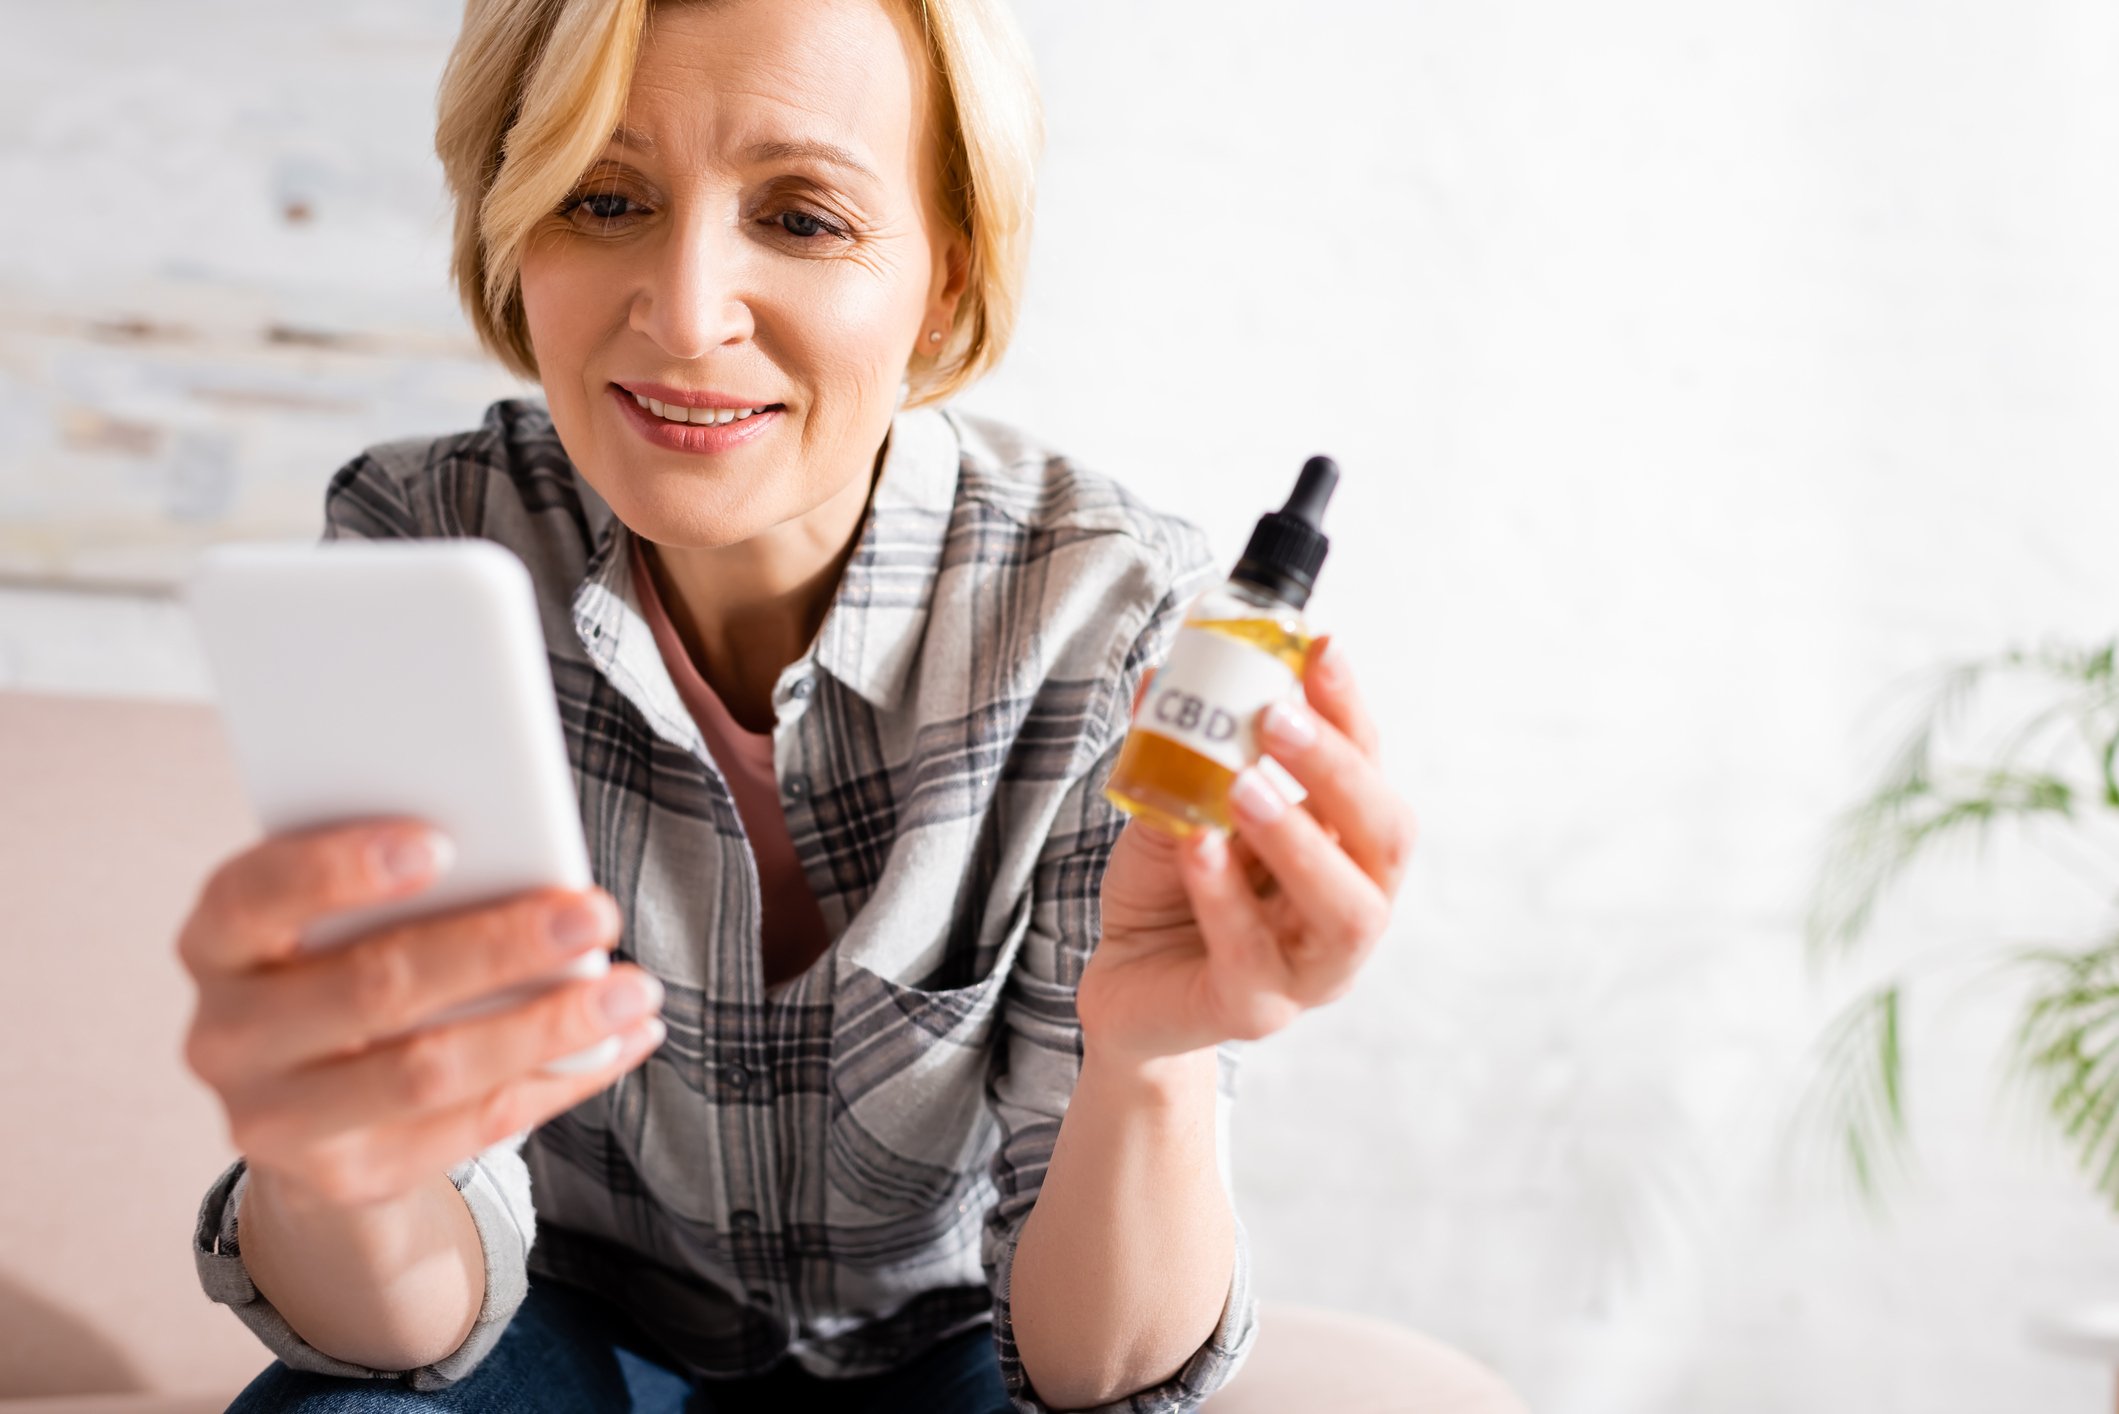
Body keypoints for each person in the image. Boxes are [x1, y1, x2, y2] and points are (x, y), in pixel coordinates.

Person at [177, 0, 1417, 1409]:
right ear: (514, 228)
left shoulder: (1113, 619)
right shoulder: (429, 544)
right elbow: (406, 1323)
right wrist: (329, 1156)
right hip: (570, 1309)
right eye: (604, 196)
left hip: (949, 1339)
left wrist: (1147, 1048)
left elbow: (1099, 1379)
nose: (687, 310)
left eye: (805, 218)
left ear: (944, 280)